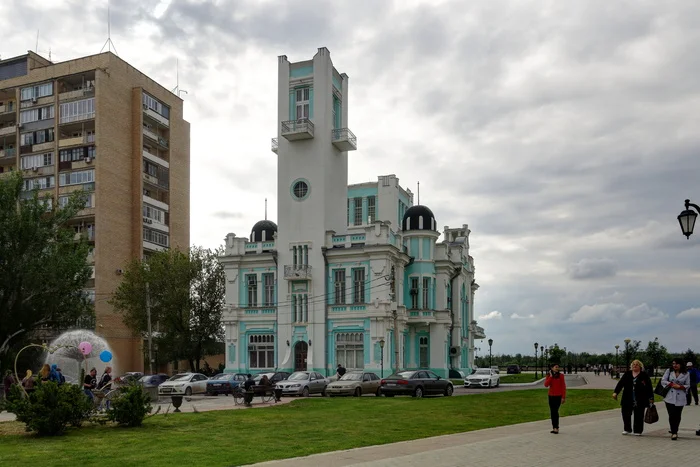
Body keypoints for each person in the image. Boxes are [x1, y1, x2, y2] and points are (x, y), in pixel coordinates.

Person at [612, 359, 654, 436]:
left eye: (637, 364)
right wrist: (615, 392)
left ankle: (638, 430)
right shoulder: (627, 374)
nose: (635, 365)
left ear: (640, 366)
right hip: (627, 398)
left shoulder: (644, 375)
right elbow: (620, 383)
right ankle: (627, 429)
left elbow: (649, 388)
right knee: (625, 414)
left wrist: (651, 398)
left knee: (639, 415)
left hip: (640, 399)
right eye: (633, 364)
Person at [661, 359, 690, 440]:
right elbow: (663, 381)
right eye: (673, 364)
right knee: (671, 414)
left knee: (677, 415)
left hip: (680, 397)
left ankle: (675, 429)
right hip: (669, 396)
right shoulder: (669, 371)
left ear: (681, 365)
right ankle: (674, 432)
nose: (675, 365)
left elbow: (688, 385)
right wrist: (671, 384)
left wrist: (680, 387)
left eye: (677, 364)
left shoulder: (686, 373)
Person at [544, 363, 566, 434]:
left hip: (558, 396)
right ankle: (554, 428)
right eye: (555, 367)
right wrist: (550, 377)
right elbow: (546, 385)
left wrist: (563, 397)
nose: (557, 368)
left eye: (558, 367)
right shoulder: (549, 375)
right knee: (552, 412)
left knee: (555, 412)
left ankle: (556, 427)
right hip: (551, 396)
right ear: (552, 368)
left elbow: (563, 386)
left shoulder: (561, 376)